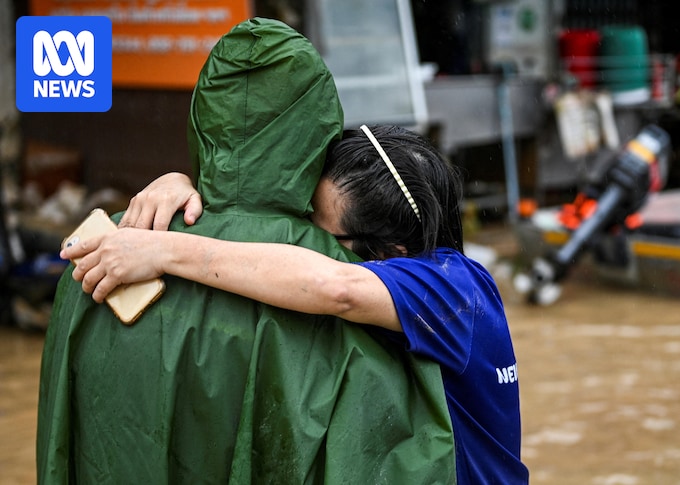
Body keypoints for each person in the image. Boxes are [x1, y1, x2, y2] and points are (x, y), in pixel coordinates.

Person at [39, 18, 457, 484]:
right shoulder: (356, 283)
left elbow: (58, 442)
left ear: (201, 116)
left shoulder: (104, 252)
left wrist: (178, 198)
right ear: (319, 130)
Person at [62, 123, 531, 484]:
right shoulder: (422, 280)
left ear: (391, 253)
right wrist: (181, 187)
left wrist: (164, 251)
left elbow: (335, 287)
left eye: (316, 232)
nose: (301, 238)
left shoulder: (454, 289)